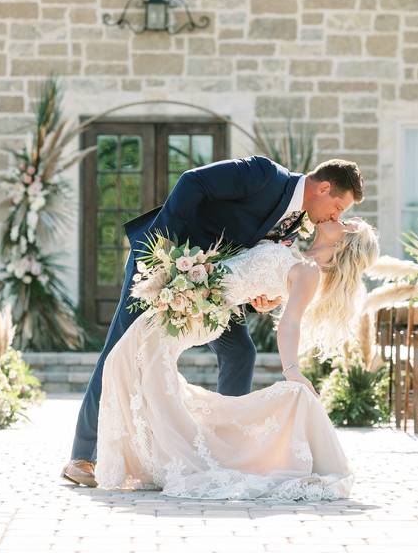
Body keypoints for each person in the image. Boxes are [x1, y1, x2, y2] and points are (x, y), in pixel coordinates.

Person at [62, 156, 364, 487]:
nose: (337, 216)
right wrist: (167, 254)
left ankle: (222, 449)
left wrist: (256, 301)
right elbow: (193, 181)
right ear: (323, 187)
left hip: (211, 291)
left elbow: (251, 263)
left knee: (240, 353)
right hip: (164, 265)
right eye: (338, 206)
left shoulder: (292, 224)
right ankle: (82, 455)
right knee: (121, 346)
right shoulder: (263, 175)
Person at [95, 218, 379, 499]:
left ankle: (173, 459)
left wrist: (291, 369)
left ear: (346, 242)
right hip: (196, 300)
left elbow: (290, 322)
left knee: (129, 360)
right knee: (124, 361)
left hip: (200, 312)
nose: (337, 217)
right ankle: (158, 457)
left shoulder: (310, 272)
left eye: (347, 223)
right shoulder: (296, 250)